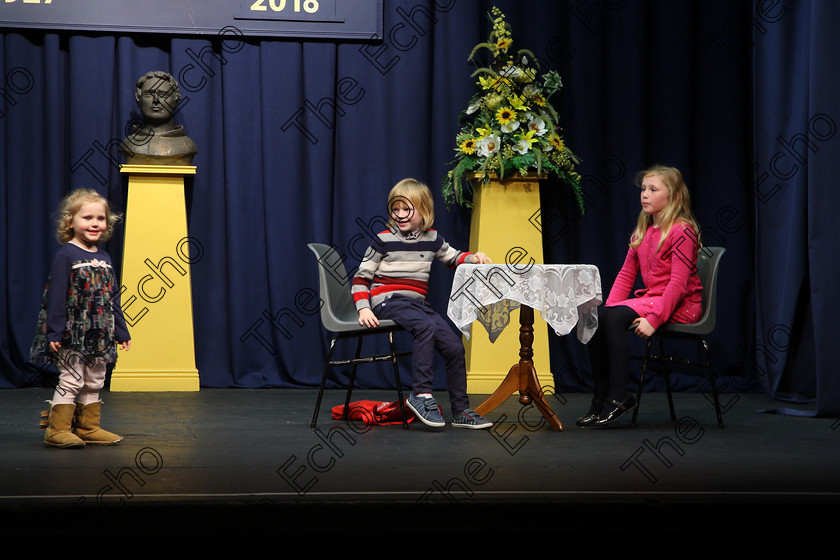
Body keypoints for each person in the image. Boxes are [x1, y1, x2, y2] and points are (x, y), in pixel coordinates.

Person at [353, 178, 493, 429]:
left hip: (417, 305)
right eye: (396, 209)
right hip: (388, 300)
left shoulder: (432, 239)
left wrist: (473, 257)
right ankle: (421, 394)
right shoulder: (383, 239)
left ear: (424, 211)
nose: (400, 214)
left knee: (454, 347)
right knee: (425, 327)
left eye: (407, 209)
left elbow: (453, 258)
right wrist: (364, 307)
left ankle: (461, 410)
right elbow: (360, 278)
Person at [579, 165, 703, 428]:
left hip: (682, 304)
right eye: (643, 189)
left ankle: (619, 396)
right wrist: (609, 308)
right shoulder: (643, 229)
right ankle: (600, 398)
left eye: (653, 189)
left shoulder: (681, 231)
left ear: (674, 197)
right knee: (599, 317)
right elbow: (626, 274)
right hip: (654, 299)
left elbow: (679, 285)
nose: (644, 195)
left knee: (613, 320)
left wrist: (655, 320)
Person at [30, 188, 131, 447]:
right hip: (73, 332)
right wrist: (55, 332)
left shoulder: (105, 258)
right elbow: (55, 297)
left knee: (95, 378)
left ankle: (88, 427)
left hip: (100, 332)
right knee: (72, 377)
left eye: (100, 218)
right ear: (70, 222)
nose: (94, 223)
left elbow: (112, 298)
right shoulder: (66, 255)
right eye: (87, 218)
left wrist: (121, 331)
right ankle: (57, 429)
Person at [119, 70, 198, 165]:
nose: (156, 100)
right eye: (149, 94)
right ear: (138, 99)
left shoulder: (187, 147)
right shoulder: (129, 145)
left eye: (163, 94)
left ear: (176, 101)